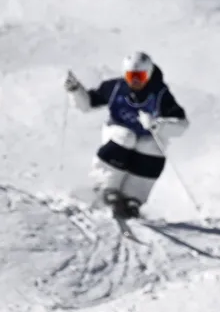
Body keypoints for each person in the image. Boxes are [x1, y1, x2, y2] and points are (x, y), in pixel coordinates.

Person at [63, 51, 189, 218]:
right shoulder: (116, 88)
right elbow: (88, 104)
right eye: (131, 76)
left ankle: (133, 197)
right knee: (126, 137)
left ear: (149, 75)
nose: (135, 82)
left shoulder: (160, 94)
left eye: (141, 77)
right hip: (117, 132)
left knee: (153, 147)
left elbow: (181, 124)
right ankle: (106, 186)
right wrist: (76, 90)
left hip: (146, 135)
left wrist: (158, 125)